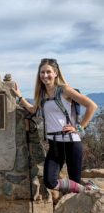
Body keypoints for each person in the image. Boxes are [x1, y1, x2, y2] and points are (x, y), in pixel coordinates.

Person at [12, 58, 99, 194]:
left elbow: (92, 106)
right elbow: (33, 110)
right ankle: (86, 189)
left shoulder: (64, 90)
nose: (45, 75)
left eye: (48, 72)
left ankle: (81, 193)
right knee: (49, 181)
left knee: (74, 183)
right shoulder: (42, 94)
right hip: (55, 145)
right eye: (42, 72)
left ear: (56, 73)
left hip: (71, 143)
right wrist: (19, 97)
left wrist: (79, 127)